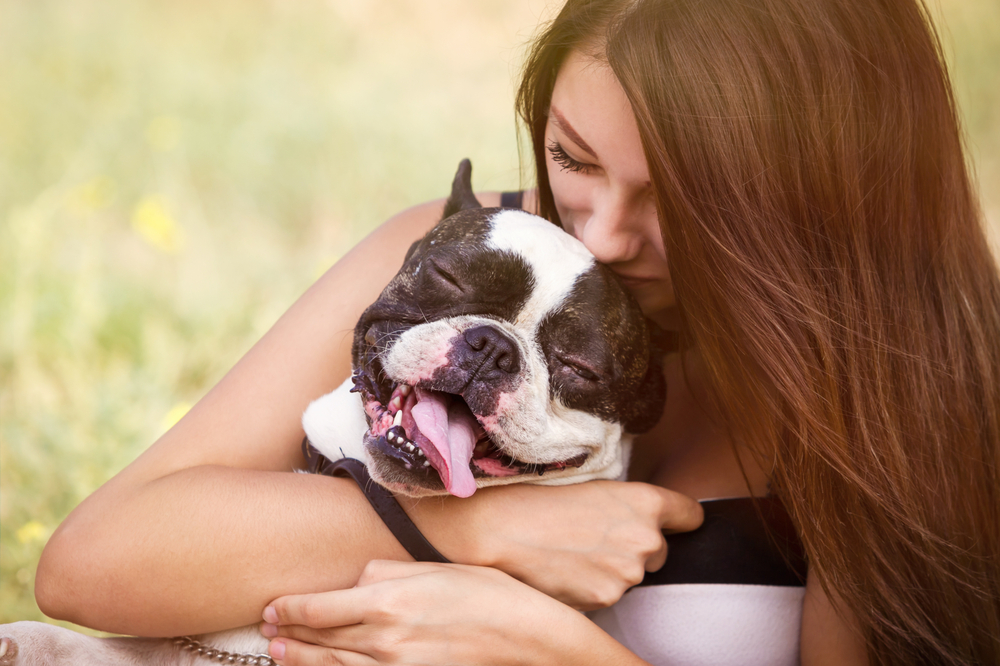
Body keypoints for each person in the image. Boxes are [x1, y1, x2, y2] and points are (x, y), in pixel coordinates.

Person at [33, 0, 1000, 664]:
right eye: (571, 157)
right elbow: (95, 563)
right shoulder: (472, 248)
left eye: (683, 202)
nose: (603, 234)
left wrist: (562, 652)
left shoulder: (902, 392)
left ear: (821, 193)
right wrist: (484, 526)